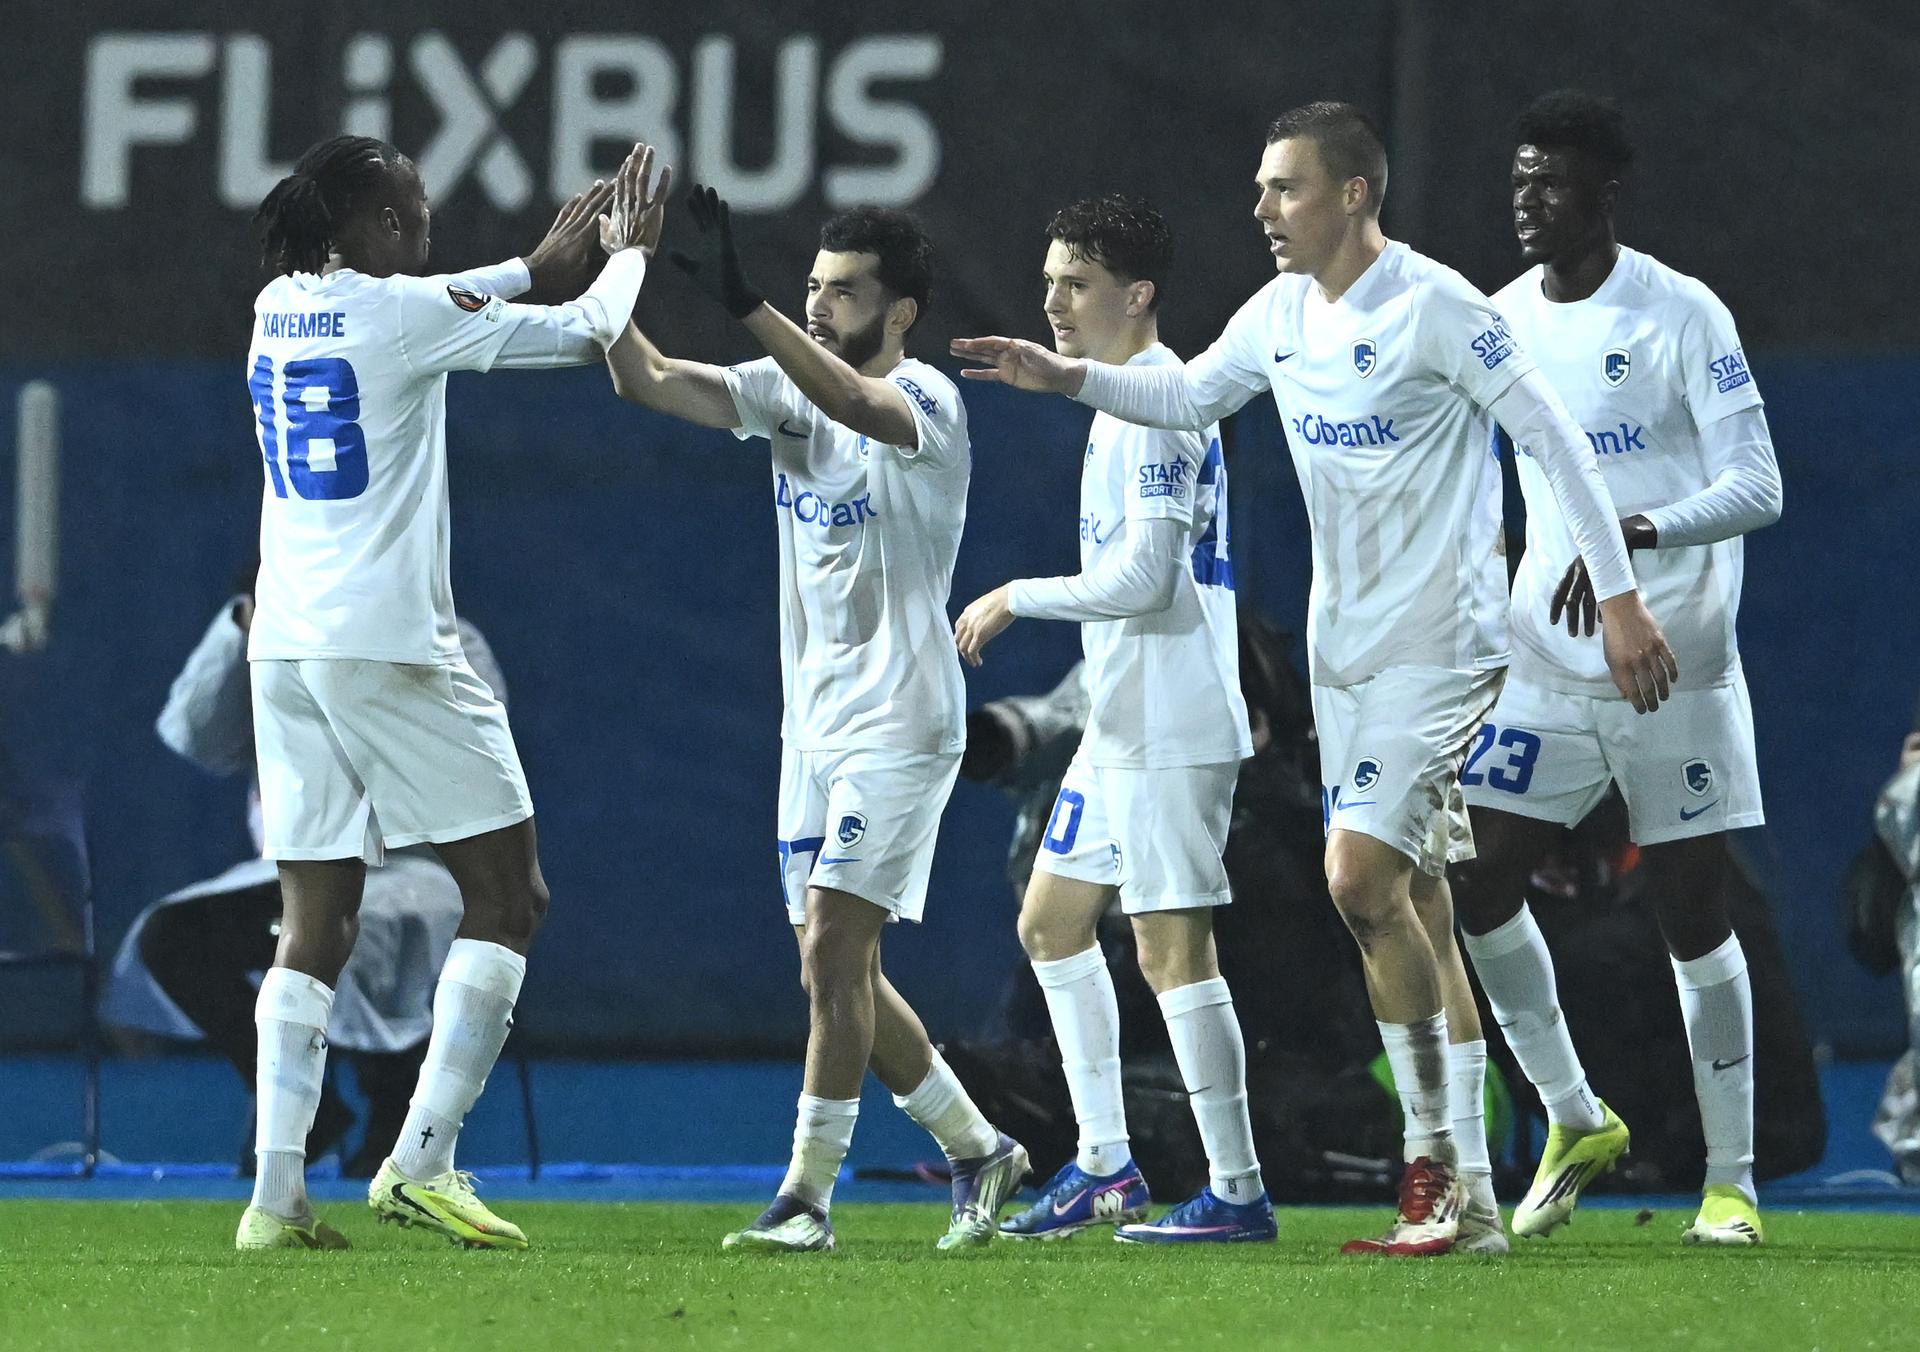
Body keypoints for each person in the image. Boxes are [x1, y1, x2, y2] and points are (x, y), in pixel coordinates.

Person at [952, 101, 1676, 1256]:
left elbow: (1554, 441)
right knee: (1420, 902)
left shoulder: (1443, 307)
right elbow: (1189, 395)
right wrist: (1060, 376)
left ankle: (1430, 1166)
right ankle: (1487, 1187)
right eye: (1257, 188)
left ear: (1352, 194)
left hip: (1440, 647)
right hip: (1344, 655)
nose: (1261, 209)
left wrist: (1622, 598)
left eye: (1282, 187)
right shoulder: (1282, 312)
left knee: (1356, 880)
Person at [236, 135, 669, 1251]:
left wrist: (530, 263)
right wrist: (626, 253)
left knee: (314, 921)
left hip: (284, 643)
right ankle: (422, 1159)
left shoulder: (277, 300)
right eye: (414, 208)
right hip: (387, 642)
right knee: (510, 893)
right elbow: (585, 335)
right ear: (377, 225)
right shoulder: (398, 312)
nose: (425, 224)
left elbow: (441, 296)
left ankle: (274, 1196)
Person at [603, 190, 1025, 1253]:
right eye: (814, 288)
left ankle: (805, 1196)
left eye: (846, 292)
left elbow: (857, 404)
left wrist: (748, 304)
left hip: (903, 718)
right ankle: (982, 1149)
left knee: (838, 948)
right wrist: (616, 272)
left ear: (902, 314)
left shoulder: (926, 398)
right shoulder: (785, 395)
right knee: (839, 973)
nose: (824, 305)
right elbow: (645, 378)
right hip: (815, 728)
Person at [1447, 91, 1784, 1248]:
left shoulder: (1683, 313)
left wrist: (1636, 531)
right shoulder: (1494, 321)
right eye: (1519, 180)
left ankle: (1730, 1182)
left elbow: (1759, 487)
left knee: (1692, 914)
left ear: (1605, 195)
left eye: (1551, 183)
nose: (1528, 202)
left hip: (1670, 663)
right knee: (1474, 887)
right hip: (1546, 665)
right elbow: (1497, 493)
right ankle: (1574, 1112)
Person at [951, 196, 1271, 1243]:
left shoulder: (1161, 403)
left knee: (1176, 952)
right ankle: (1103, 1162)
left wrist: (1016, 595)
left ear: (1136, 296)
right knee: (1051, 921)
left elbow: (1144, 578)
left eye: (1075, 282)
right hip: (1125, 719)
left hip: (1175, 720)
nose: (1052, 300)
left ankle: (1237, 1187)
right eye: (1047, 279)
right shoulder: (1117, 404)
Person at [104, 581, 508, 1179]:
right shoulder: (270, 639)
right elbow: (193, 735)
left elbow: (468, 757)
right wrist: (240, 630)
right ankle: (296, 1098)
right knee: (171, 935)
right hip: (289, 872)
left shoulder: (441, 632)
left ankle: (395, 1111)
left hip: (405, 871)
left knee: (369, 937)